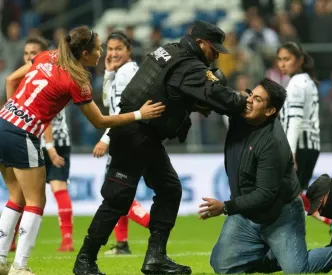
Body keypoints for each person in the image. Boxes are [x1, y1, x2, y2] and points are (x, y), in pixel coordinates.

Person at [73, 20, 249, 275]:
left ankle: (155, 258)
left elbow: (168, 89)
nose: (215, 56)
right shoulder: (189, 65)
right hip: (134, 136)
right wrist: (242, 102)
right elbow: (216, 95)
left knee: (169, 189)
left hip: (145, 137)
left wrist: (189, 103)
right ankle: (85, 260)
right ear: (202, 44)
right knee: (117, 199)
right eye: (214, 50)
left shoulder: (171, 50)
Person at [0, 25, 164, 275]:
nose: (101, 54)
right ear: (85, 52)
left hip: (2, 122)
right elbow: (99, 121)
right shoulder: (77, 80)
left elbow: (13, 79)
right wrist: (140, 114)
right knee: (36, 201)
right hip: (22, 133)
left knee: (16, 196)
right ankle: (19, 267)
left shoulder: (47, 55)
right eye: (98, 49)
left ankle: (1, 259)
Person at [199, 78, 332, 274]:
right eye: (250, 95)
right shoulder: (242, 113)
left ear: (270, 111)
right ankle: (269, 256)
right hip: (246, 215)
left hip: (280, 215)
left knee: (297, 270)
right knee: (222, 265)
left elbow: (265, 195)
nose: (249, 101)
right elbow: (219, 96)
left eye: (257, 99)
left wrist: (225, 207)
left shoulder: (272, 143)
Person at [8, 36, 78, 253]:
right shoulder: (24, 80)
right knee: (23, 192)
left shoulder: (51, 74)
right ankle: (11, 242)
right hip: (29, 138)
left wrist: (49, 146)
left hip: (55, 140)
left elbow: (44, 117)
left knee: (56, 187)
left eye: (33, 53)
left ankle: (67, 238)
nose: (29, 57)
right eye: (26, 53)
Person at [92, 30, 151, 256]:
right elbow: (108, 101)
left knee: (115, 193)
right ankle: (122, 244)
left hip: (124, 138)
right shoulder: (123, 71)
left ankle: (154, 224)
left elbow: (119, 111)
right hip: (129, 136)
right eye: (111, 49)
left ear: (129, 51)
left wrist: (105, 138)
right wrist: (107, 72)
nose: (113, 53)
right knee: (120, 192)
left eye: (119, 49)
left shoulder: (126, 73)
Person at [276, 41, 332, 226]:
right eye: (280, 59)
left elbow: (295, 119)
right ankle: (331, 219)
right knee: (294, 196)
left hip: (299, 145)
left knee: (286, 197)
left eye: (287, 59)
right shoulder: (307, 81)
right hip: (310, 145)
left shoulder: (297, 84)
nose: (282, 64)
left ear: (299, 60)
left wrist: (290, 150)